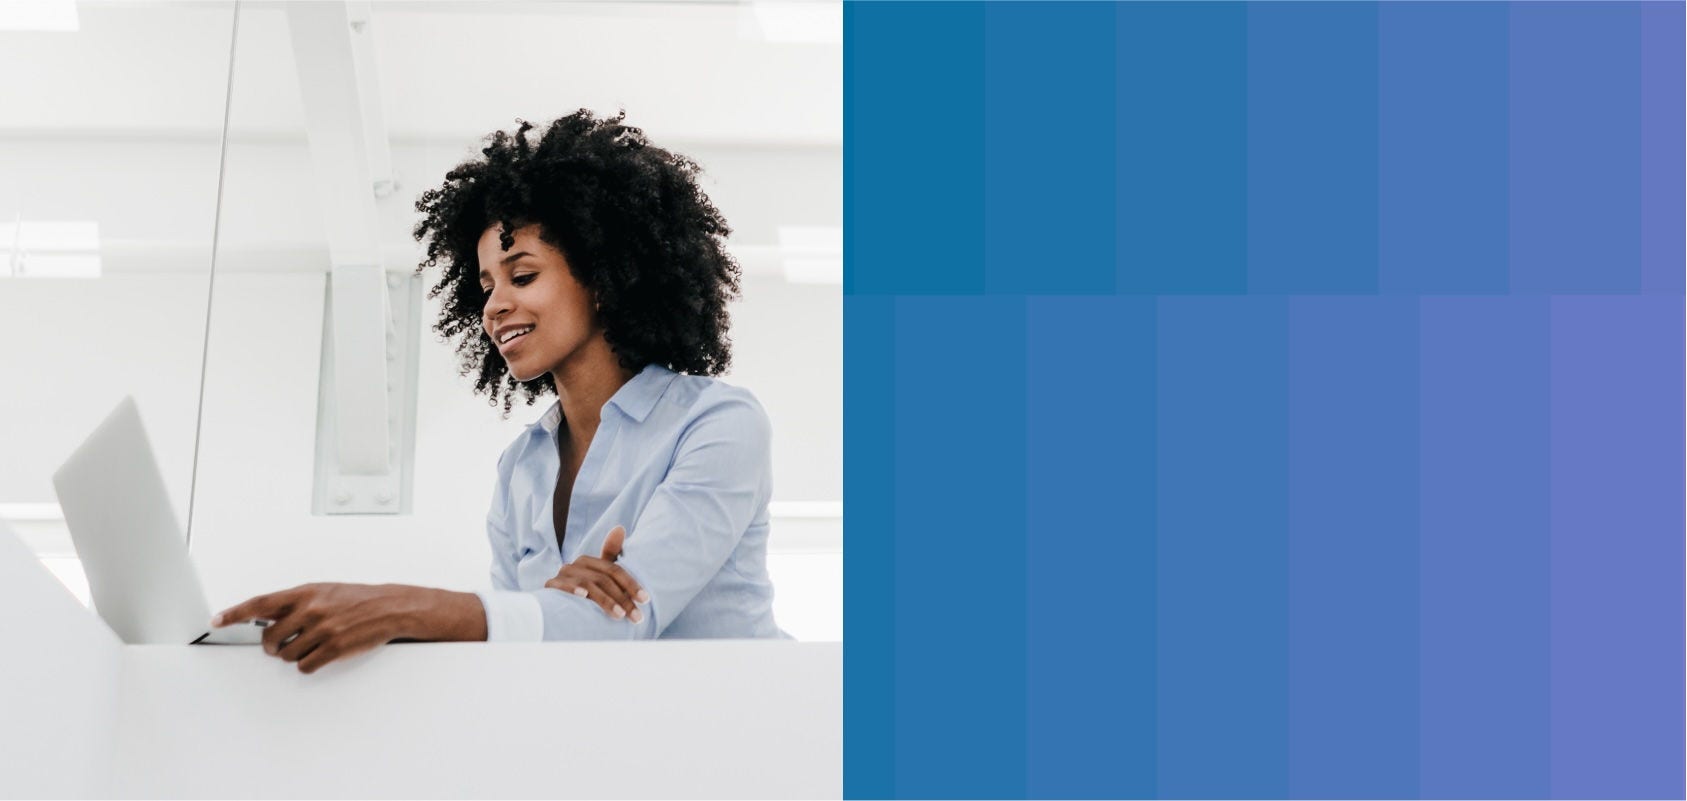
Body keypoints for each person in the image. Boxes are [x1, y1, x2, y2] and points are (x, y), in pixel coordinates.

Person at [213, 109, 787, 673]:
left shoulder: (717, 424)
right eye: (487, 285)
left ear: (607, 277)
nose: (493, 307)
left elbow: (617, 623)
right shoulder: (523, 466)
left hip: (750, 734)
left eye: (524, 276)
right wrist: (548, 609)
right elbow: (520, 655)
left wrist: (400, 607)